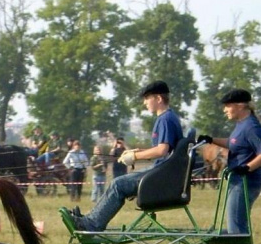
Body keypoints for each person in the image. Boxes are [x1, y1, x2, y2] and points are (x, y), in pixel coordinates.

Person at [68, 80, 183, 231]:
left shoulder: (165, 119)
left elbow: (161, 150)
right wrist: (136, 152)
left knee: (118, 185)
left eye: (147, 98)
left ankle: (92, 224)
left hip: (162, 175)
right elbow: (165, 151)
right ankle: (90, 219)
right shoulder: (168, 117)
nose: (144, 102)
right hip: (162, 172)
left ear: (159, 99)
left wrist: (135, 157)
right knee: (118, 182)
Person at [198, 89, 261, 234]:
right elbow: (233, 143)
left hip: (246, 182)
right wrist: (211, 139)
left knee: (236, 228)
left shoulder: (251, 126)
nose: (224, 110)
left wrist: (246, 167)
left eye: (227, 105)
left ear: (240, 106)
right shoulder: (242, 124)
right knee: (234, 225)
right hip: (238, 180)